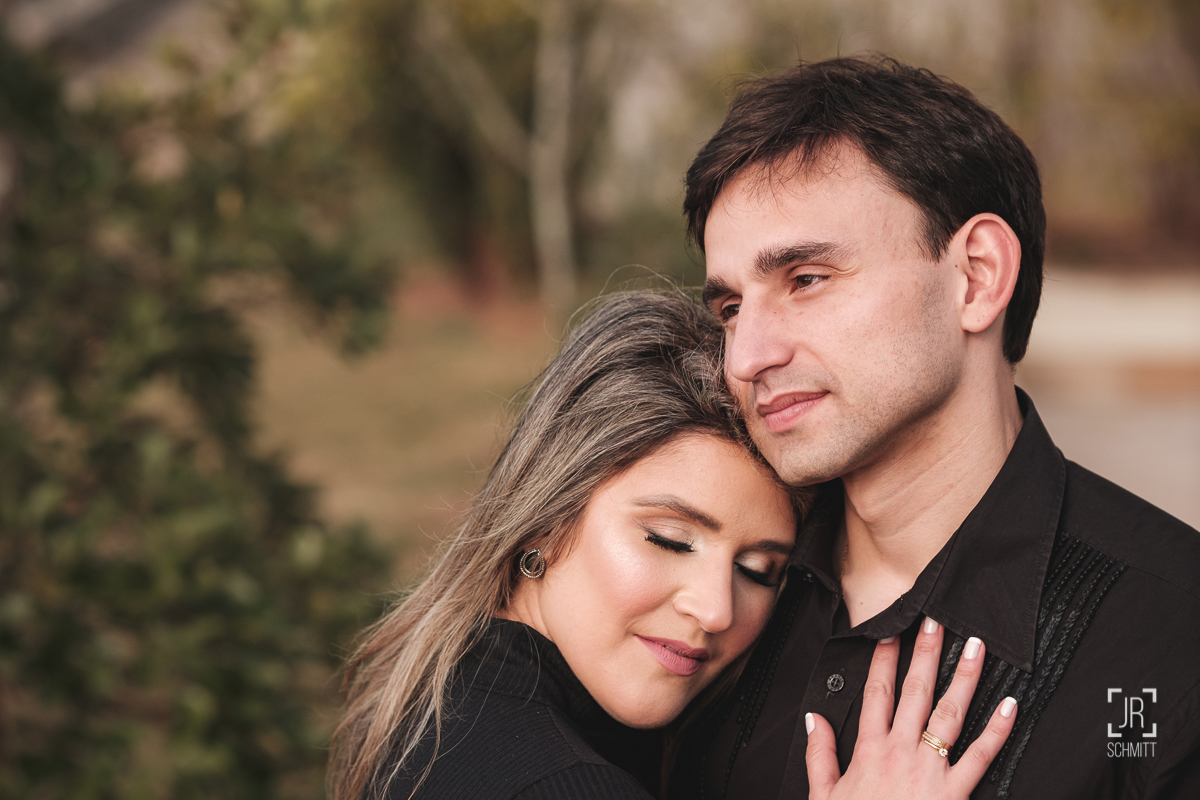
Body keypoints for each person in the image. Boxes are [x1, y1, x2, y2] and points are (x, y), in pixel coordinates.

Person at [668, 56, 1200, 799]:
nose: (746, 357)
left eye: (806, 279)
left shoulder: (1171, 641)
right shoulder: (701, 600)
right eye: (730, 309)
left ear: (976, 276)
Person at [327, 292, 1016, 800]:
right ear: (545, 519)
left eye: (760, 570)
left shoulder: (440, 697)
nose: (716, 609)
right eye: (669, 540)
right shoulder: (565, 784)